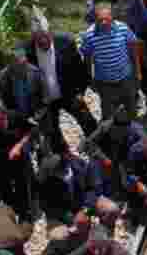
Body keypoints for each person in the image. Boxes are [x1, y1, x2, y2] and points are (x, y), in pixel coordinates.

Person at [24, 12, 97, 151]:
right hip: (46, 100)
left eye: (45, 37)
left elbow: (79, 69)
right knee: (52, 134)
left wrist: (81, 91)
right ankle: (64, 158)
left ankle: (98, 146)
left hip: (69, 92)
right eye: (39, 39)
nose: (43, 42)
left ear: (50, 33)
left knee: (87, 121)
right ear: (33, 38)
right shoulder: (28, 51)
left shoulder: (65, 42)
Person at [79, 3, 142, 122]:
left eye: (106, 19)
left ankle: (134, 133)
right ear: (95, 20)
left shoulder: (123, 28)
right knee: (108, 115)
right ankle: (112, 137)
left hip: (125, 78)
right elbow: (87, 58)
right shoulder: (89, 36)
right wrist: (90, 78)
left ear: (112, 18)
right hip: (104, 83)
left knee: (131, 108)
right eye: (100, 20)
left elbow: (134, 49)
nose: (103, 23)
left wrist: (137, 72)